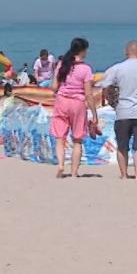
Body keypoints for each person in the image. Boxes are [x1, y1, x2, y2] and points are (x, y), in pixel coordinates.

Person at [97, 41, 137, 181]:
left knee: (122, 146)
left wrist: (110, 100)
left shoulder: (117, 68)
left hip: (123, 111)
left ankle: (124, 175)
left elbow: (105, 85)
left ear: (126, 52)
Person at [51, 38, 98, 179]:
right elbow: (88, 94)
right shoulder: (86, 69)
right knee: (78, 140)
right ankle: (74, 172)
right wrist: (94, 113)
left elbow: (54, 87)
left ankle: (60, 165)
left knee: (60, 137)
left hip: (62, 101)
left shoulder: (62, 64)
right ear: (83, 51)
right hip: (78, 103)